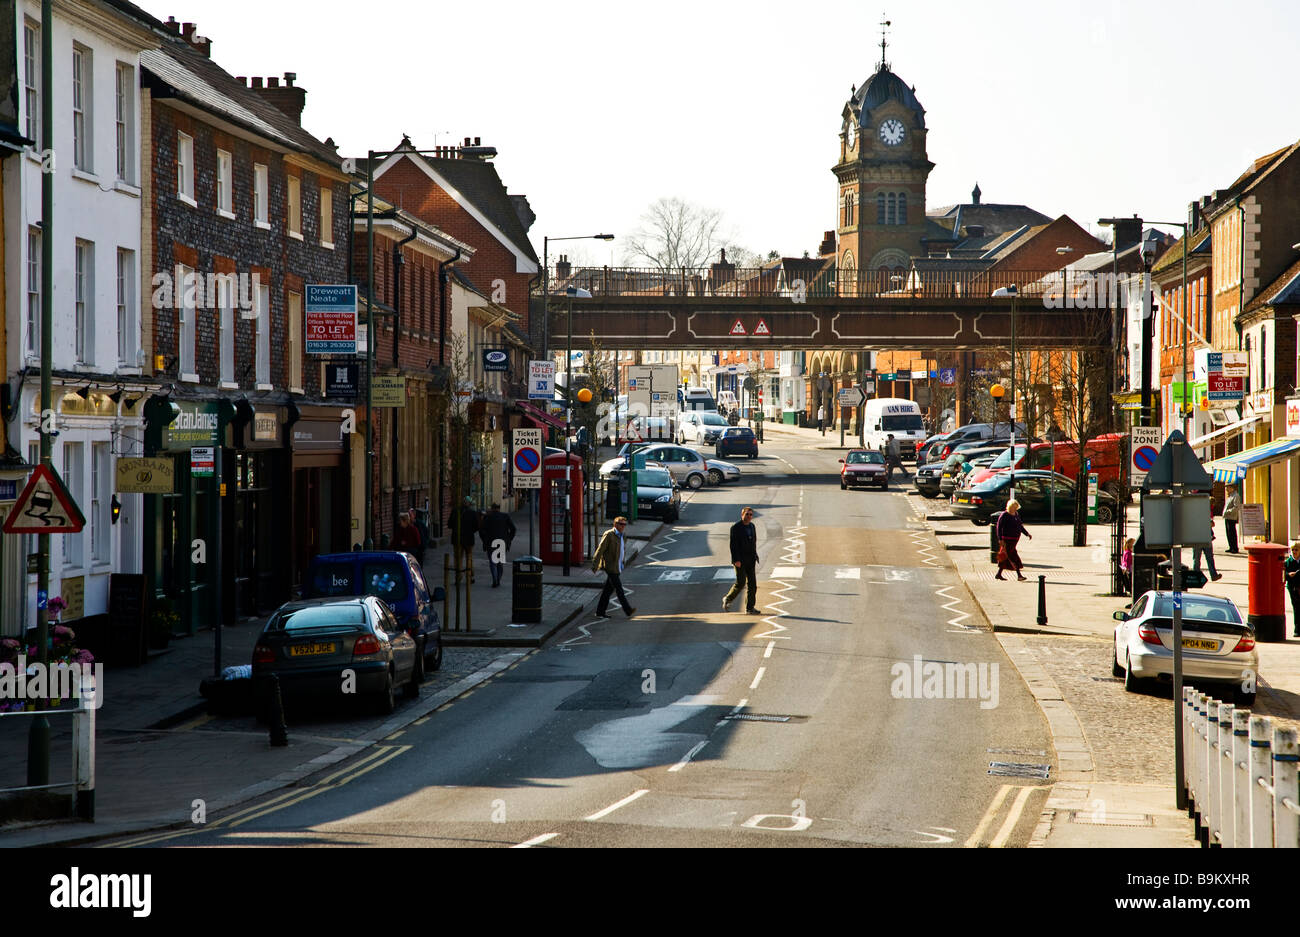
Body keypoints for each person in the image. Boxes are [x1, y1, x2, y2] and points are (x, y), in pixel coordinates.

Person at [592, 516, 636, 619]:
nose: (623, 526)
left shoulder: (623, 535)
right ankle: (628, 610)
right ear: (615, 524)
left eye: (625, 524)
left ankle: (600, 612)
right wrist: (595, 564)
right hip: (610, 566)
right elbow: (600, 550)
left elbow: (622, 550)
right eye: (621, 524)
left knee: (607, 591)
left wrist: (623, 562)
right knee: (619, 589)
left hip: (618, 566)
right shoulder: (609, 535)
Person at [722, 506, 760, 613]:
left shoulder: (752, 526)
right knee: (741, 582)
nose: (749, 516)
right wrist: (736, 560)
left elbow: (753, 542)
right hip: (740, 560)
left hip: (750, 559)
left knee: (752, 584)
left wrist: (755, 555)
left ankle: (750, 608)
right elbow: (733, 545)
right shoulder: (735, 527)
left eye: (750, 515)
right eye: (747, 514)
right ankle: (728, 598)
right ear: (742, 515)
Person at [479, 502, 517, 588]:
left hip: (491, 542)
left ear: (492, 509)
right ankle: (498, 579)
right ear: (499, 508)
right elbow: (513, 529)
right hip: (502, 542)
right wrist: (509, 539)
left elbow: (481, 530)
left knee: (493, 563)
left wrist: (484, 540)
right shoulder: (505, 516)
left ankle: (495, 579)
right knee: (500, 563)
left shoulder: (487, 517)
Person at [995, 499, 1032, 581]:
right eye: (1014, 507)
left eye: (1016, 507)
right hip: (1007, 540)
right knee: (1012, 556)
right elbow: (999, 527)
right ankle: (1019, 575)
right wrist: (1000, 539)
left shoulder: (1016, 514)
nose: (1015, 509)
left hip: (1014, 540)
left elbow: (1020, 526)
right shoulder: (1004, 515)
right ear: (1010, 507)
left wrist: (1027, 534)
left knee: (1007, 556)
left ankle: (999, 574)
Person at [448, 497, 479, 585]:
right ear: (469, 504)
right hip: (469, 539)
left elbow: (449, 524)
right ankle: (470, 576)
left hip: (457, 539)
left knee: (458, 558)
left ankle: (458, 577)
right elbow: (476, 526)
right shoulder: (472, 513)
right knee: (469, 557)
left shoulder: (455, 511)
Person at [1285, 543, 1300, 637]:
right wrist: (1288, 575)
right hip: (1293, 587)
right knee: (1296, 607)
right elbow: (1283, 573)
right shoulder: (1288, 562)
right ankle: (1297, 629)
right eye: (1293, 550)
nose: (1294, 552)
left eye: (1296, 550)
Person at [1223, 485, 1241, 554]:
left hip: (1231, 517)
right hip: (1227, 517)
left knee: (1232, 532)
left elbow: (1236, 507)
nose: (1226, 489)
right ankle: (1231, 547)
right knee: (1228, 533)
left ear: (1231, 488)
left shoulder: (1236, 496)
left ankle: (1235, 548)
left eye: (1227, 488)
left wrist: (1228, 511)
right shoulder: (1230, 496)